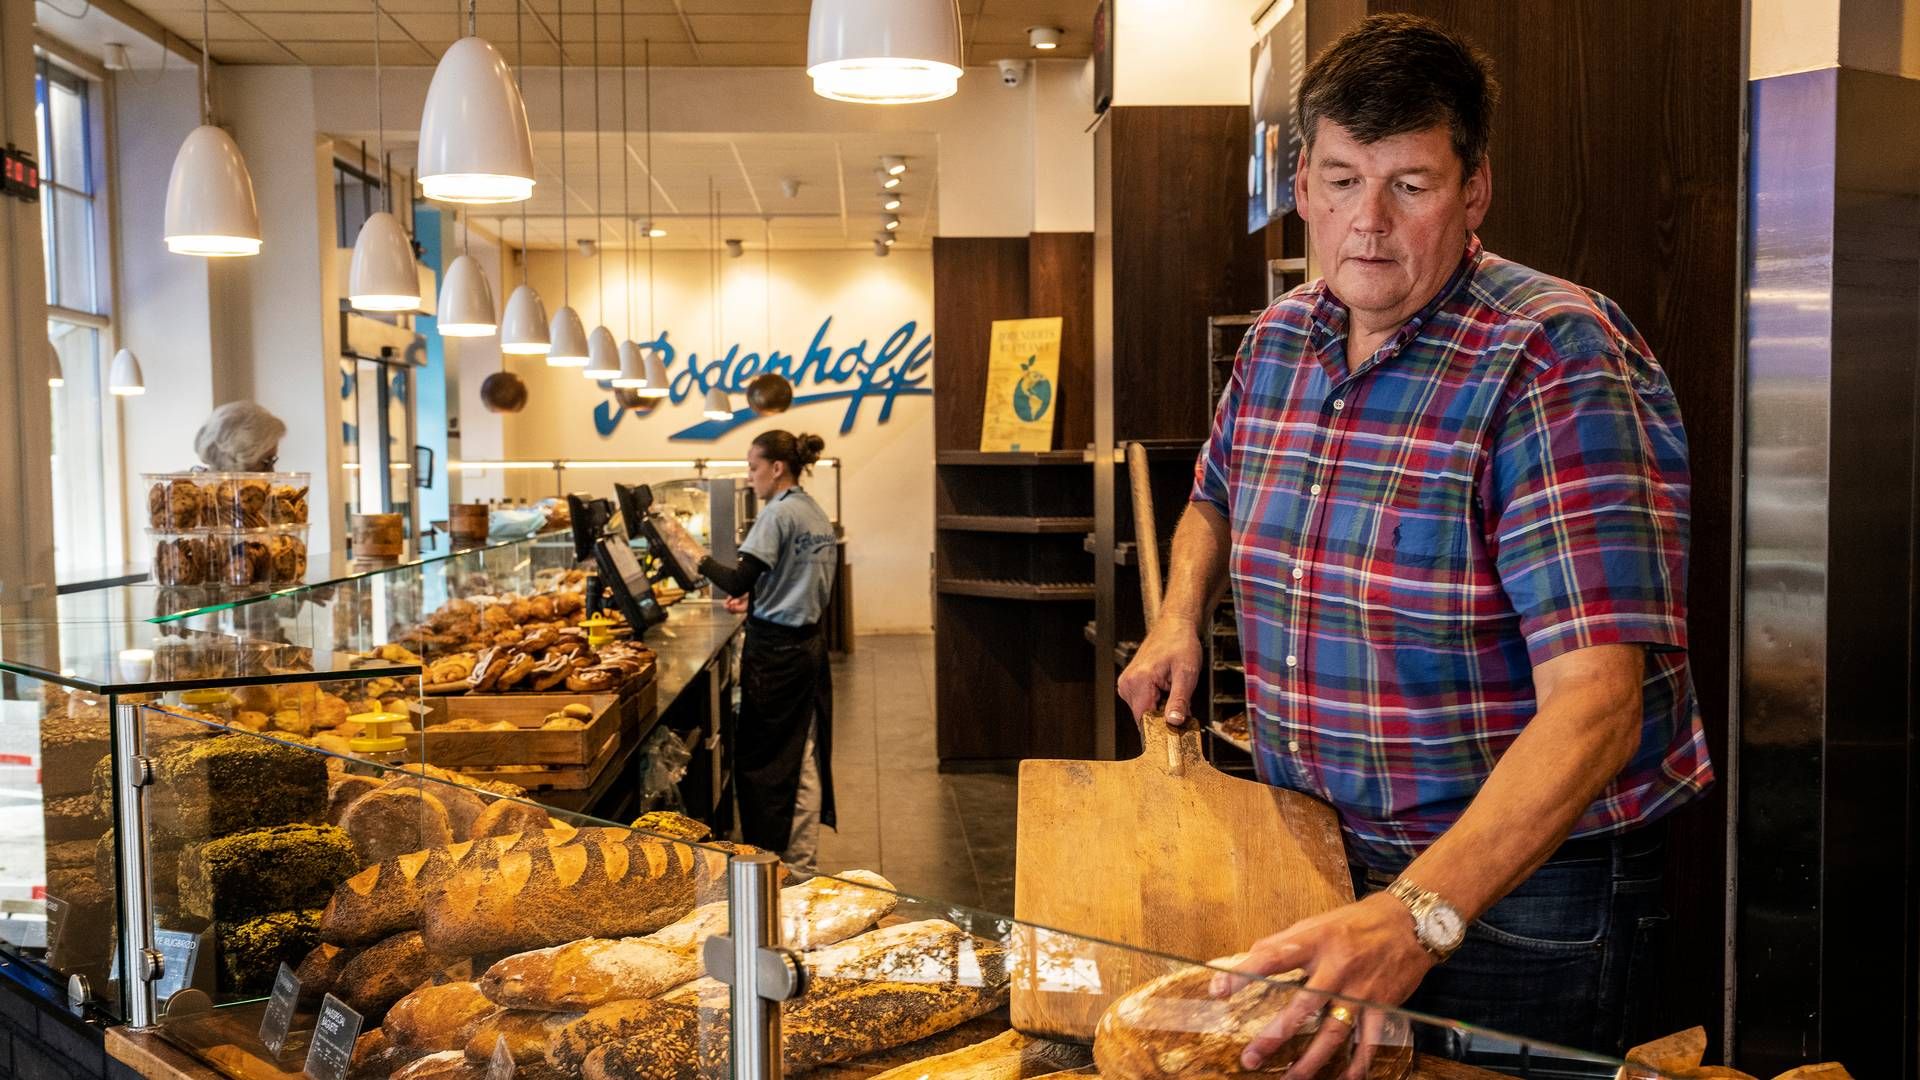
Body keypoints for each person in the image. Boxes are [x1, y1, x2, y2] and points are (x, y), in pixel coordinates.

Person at [1116, 14, 1713, 1067]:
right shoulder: (1278, 341)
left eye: (1412, 184)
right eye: (1344, 181)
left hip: (1518, 891)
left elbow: (1601, 705)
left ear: (1473, 190)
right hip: (1311, 846)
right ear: (1302, 184)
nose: (1370, 224)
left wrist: (1423, 912)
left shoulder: (1555, 357)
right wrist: (1176, 616)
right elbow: (1213, 495)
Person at [698, 431, 838, 875]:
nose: (750, 477)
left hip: (777, 656)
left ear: (777, 468)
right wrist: (760, 599)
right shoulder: (814, 511)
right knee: (804, 749)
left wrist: (694, 557)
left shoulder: (776, 515)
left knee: (767, 762)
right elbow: (793, 579)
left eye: (753, 467)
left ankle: (774, 868)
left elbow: (737, 579)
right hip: (808, 648)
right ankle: (800, 862)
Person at [193, 401, 286, 472]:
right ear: (232, 459)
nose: (272, 472)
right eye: (265, 462)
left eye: (272, 461)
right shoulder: (188, 491)